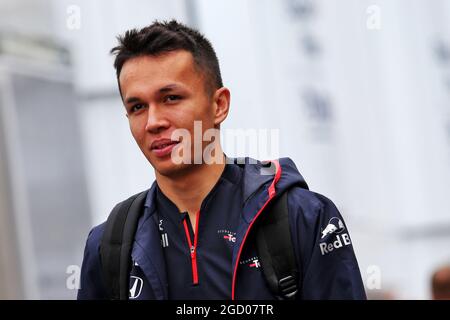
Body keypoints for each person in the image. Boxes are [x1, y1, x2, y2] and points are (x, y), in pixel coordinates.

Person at [77, 20, 366, 300]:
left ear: (219, 105)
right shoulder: (109, 246)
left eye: (171, 98)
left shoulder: (303, 218)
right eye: (138, 106)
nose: (153, 122)